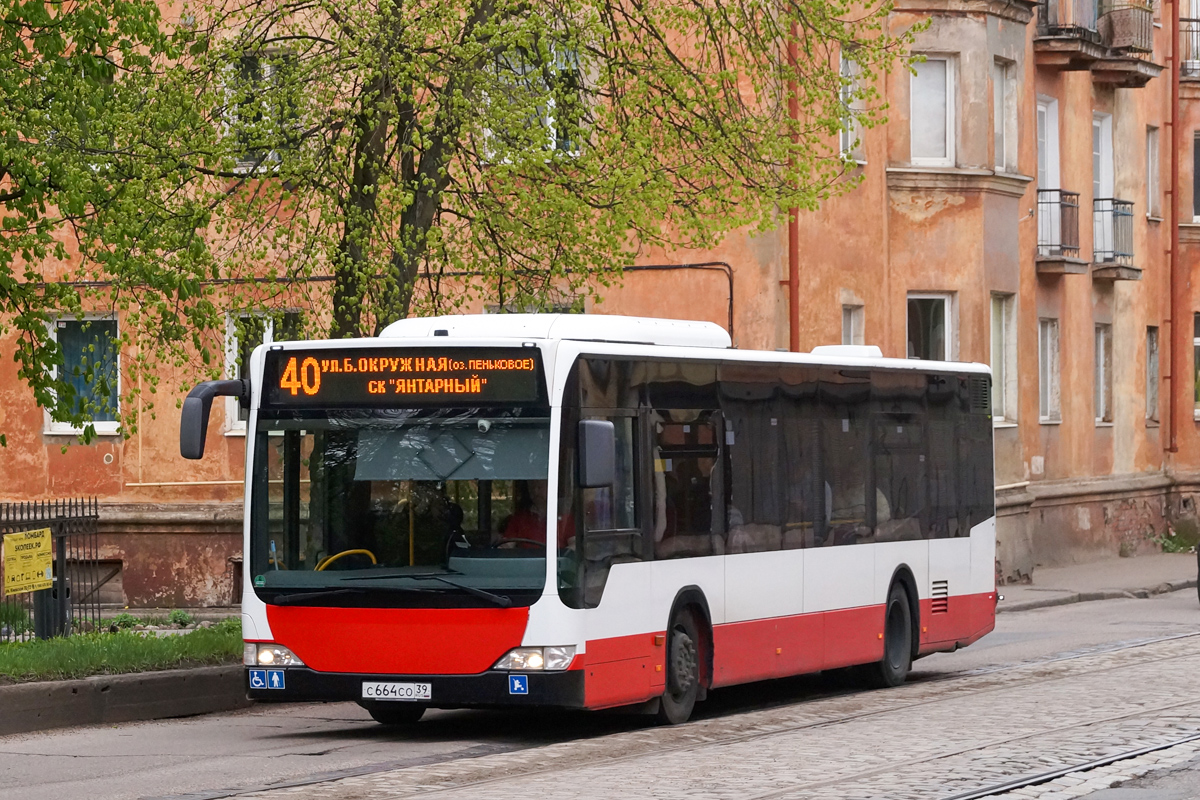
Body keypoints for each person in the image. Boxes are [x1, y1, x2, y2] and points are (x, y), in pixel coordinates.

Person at [499, 480, 572, 549]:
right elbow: (507, 545)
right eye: (532, 488)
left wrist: (560, 559)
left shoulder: (565, 518)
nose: (535, 492)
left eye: (539, 487)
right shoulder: (519, 518)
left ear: (550, 487)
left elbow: (574, 545)